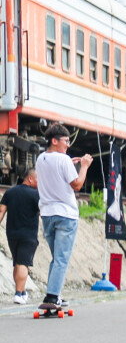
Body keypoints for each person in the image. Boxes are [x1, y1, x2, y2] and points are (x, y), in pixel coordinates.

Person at [35, 124, 92, 308]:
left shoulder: (40, 159)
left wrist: (69, 163)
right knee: (61, 258)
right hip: (66, 215)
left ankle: (54, 294)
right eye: (66, 141)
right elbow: (77, 185)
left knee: (56, 258)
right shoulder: (64, 160)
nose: (68, 145)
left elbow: (55, 173)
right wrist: (83, 166)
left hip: (47, 215)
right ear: (54, 140)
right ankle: (52, 297)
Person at [0, 169, 40, 304]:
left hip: (12, 234)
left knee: (18, 263)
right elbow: (43, 212)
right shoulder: (36, 195)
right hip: (28, 235)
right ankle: (18, 294)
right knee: (23, 263)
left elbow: (1, 211)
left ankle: (22, 292)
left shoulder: (10, 192)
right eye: (38, 180)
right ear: (30, 179)